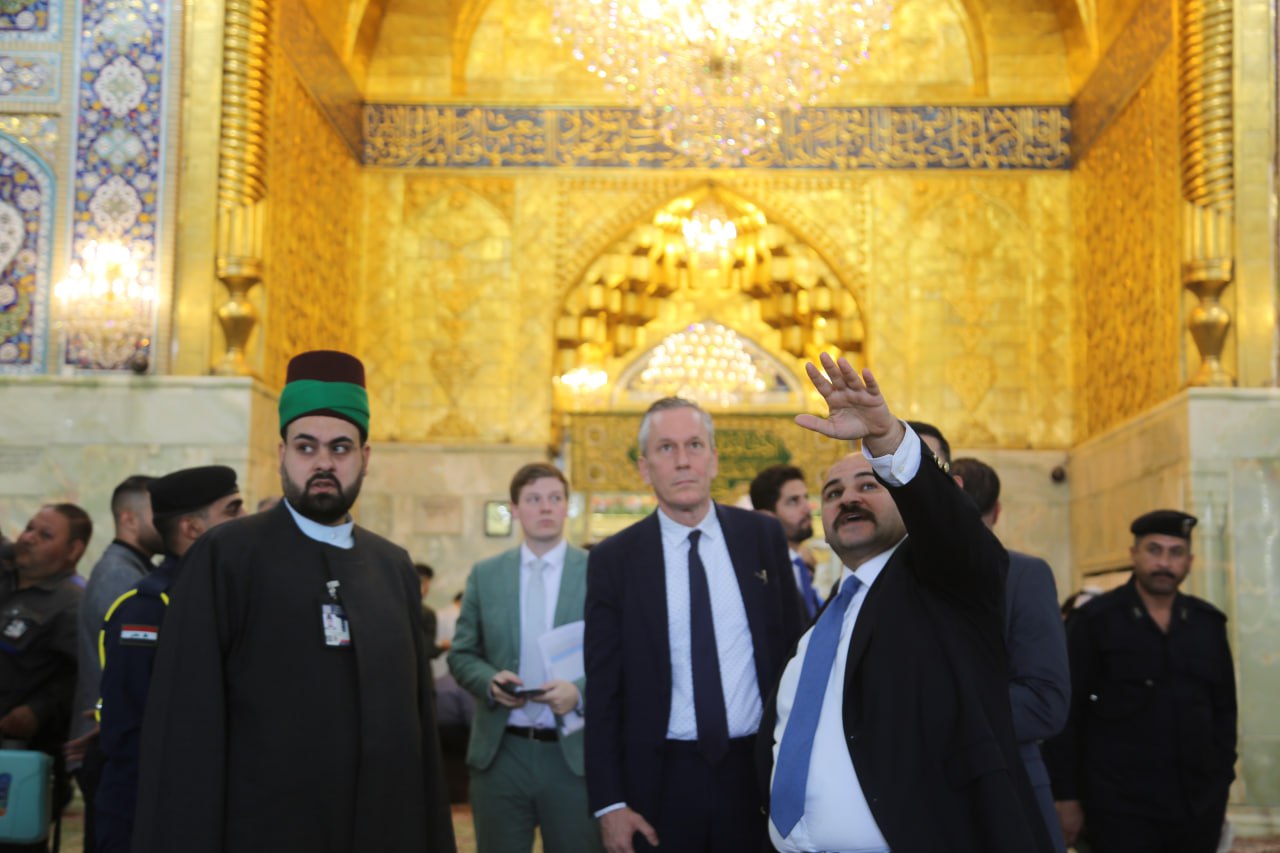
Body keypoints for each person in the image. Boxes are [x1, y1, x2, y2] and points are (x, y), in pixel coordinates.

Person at [131, 350, 456, 853]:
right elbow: (185, 721)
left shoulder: (391, 566)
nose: (323, 462)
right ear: (282, 453)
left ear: (365, 457)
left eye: (341, 448)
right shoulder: (226, 556)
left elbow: (417, 728)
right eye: (307, 447)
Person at [759, 353, 1052, 853]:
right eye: (832, 493)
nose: (848, 499)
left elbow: (952, 530)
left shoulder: (945, 586)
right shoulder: (821, 625)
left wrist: (886, 439)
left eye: (868, 484)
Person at [585, 397, 805, 853]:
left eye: (694, 445)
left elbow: (794, 654)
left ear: (714, 459)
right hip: (658, 783)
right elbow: (603, 690)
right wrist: (610, 803)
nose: (683, 460)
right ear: (644, 468)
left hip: (756, 775)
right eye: (666, 448)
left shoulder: (762, 537)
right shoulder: (614, 559)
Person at [1051, 509, 1236, 853]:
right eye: (1154, 550)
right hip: (1118, 808)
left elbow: (1224, 712)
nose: (1164, 562)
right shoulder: (1095, 621)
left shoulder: (1207, 624)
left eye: (1176, 552)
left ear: (1190, 561)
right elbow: (1066, 714)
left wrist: (1220, 784)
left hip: (1196, 809)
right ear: (1134, 554)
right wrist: (1066, 796)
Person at [449, 462, 602, 852]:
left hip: (574, 753)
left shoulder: (598, 572)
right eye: (533, 499)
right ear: (514, 509)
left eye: (555, 498)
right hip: (502, 751)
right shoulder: (485, 575)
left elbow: (619, 656)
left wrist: (580, 691)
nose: (545, 507)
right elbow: (462, 653)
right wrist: (489, 682)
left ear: (567, 506)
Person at [94, 465, 246, 853]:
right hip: (151, 813)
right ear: (192, 528)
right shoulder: (148, 608)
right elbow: (129, 733)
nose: (245, 519)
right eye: (232, 510)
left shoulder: (225, 596)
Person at [950, 456, 1070, 852]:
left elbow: (1045, 702)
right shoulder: (902, 581)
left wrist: (938, 711)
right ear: (998, 511)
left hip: (1011, 787)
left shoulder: (1023, 575)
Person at [65, 475, 162, 853]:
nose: (167, 520)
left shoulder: (132, 569)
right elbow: (124, 670)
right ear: (129, 519)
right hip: (105, 744)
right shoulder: (120, 576)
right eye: (157, 512)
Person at [0, 503, 91, 852]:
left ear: (73, 550)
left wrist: (37, 710)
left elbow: (80, 678)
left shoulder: (73, 604)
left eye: (45, 535)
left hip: (20, 761)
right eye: (29, 528)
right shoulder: (6, 578)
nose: (29, 538)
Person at [749, 464, 822, 620]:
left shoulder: (804, 567)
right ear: (766, 516)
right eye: (793, 501)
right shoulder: (760, 576)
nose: (807, 508)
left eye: (806, 498)